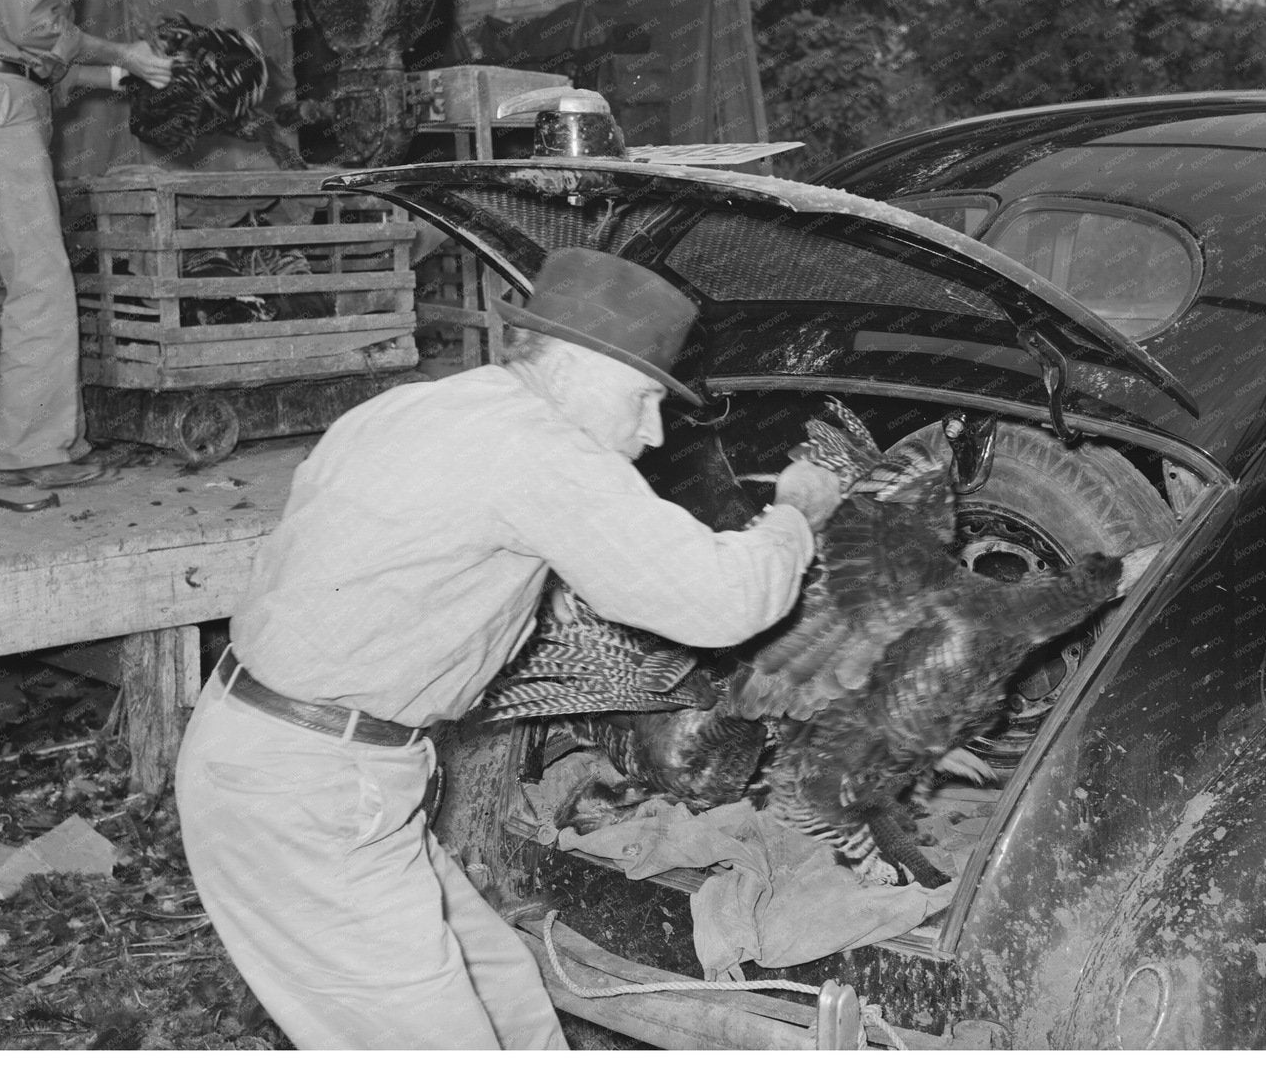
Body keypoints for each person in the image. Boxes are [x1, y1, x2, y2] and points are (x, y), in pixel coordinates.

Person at [174, 248, 845, 1049]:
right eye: (643, 396)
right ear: (577, 365)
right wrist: (796, 515)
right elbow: (720, 600)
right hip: (306, 790)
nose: (653, 428)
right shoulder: (538, 448)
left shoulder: (427, 408)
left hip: (320, 760)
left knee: (506, 1005)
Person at [0, 0, 173, 488]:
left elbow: (39, 59)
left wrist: (125, 76)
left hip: (5, 98)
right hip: (0, 106)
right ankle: (35, 451)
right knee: (41, 280)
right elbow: (35, 30)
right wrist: (123, 54)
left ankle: (45, 444)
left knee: (38, 276)